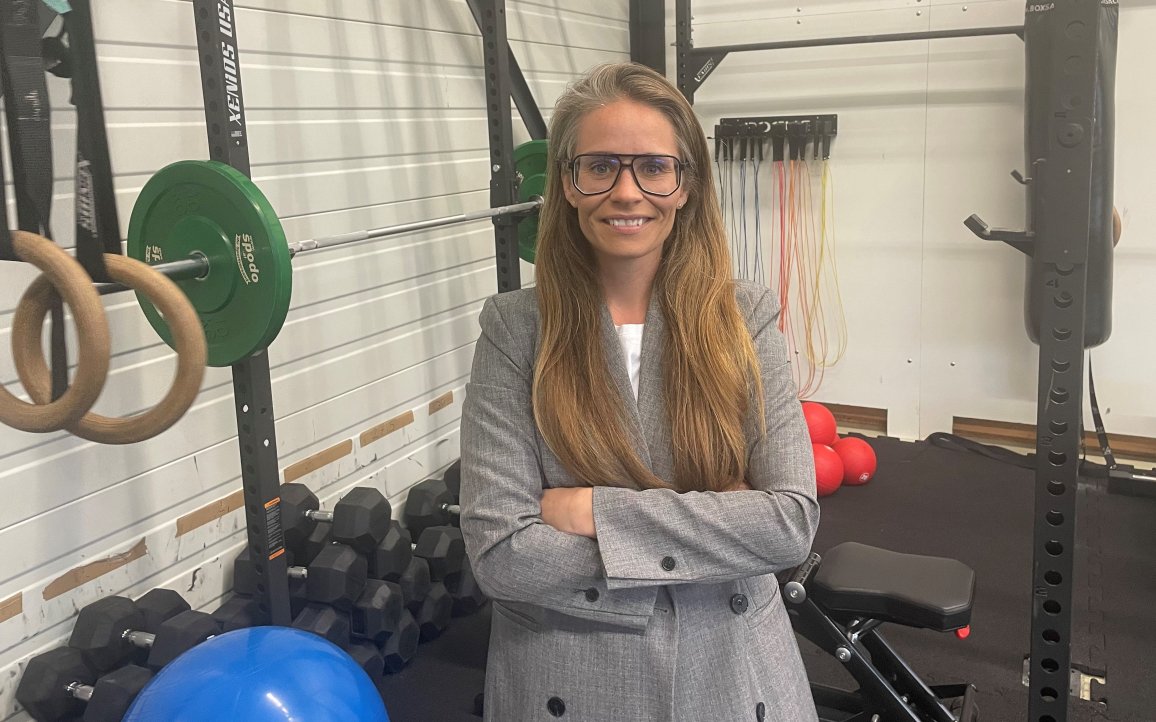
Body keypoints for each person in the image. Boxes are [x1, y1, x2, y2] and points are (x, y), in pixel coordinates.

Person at [459, 62, 820, 722]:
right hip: (569, 674)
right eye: (600, 166)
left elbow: (789, 525)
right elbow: (501, 555)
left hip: (732, 670)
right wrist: (716, 528)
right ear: (568, 182)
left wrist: (589, 509)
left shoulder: (747, 317)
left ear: (686, 185)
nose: (627, 192)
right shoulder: (514, 329)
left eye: (654, 167)